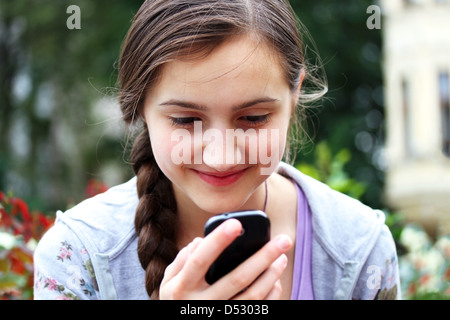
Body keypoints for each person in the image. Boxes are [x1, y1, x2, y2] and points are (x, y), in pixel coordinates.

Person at [33, 0, 400, 300]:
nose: (221, 156)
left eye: (254, 118)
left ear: (294, 96)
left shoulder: (358, 249)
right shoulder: (78, 256)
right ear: (141, 106)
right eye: (184, 119)